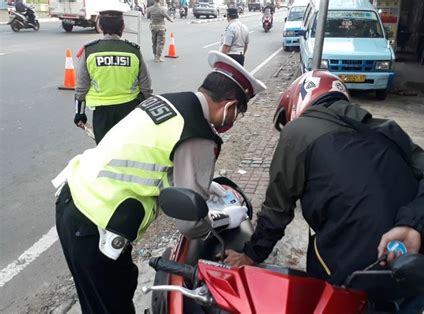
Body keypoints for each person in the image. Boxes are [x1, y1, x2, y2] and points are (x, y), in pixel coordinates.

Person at [224, 70, 424, 312]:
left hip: (363, 276)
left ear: (299, 101)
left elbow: (277, 210)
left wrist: (251, 255)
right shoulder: (387, 130)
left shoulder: (299, 132)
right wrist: (412, 225)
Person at [54, 51, 266, 314]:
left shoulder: (169, 101)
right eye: (237, 114)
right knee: (110, 305)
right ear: (230, 106)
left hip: (72, 198)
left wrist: (205, 184)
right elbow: (189, 222)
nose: (233, 120)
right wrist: (222, 221)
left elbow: (155, 157)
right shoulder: (198, 133)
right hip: (94, 226)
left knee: (101, 297)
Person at [74, 8, 153, 144]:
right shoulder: (133, 51)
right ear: (122, 27)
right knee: (129, 148)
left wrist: (79, 113)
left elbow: (81, 87)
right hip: (130, 110)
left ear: (100, 26)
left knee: (105, 151)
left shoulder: (90, 51)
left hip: (102, 113)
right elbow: (146, 86)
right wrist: (145, 107)